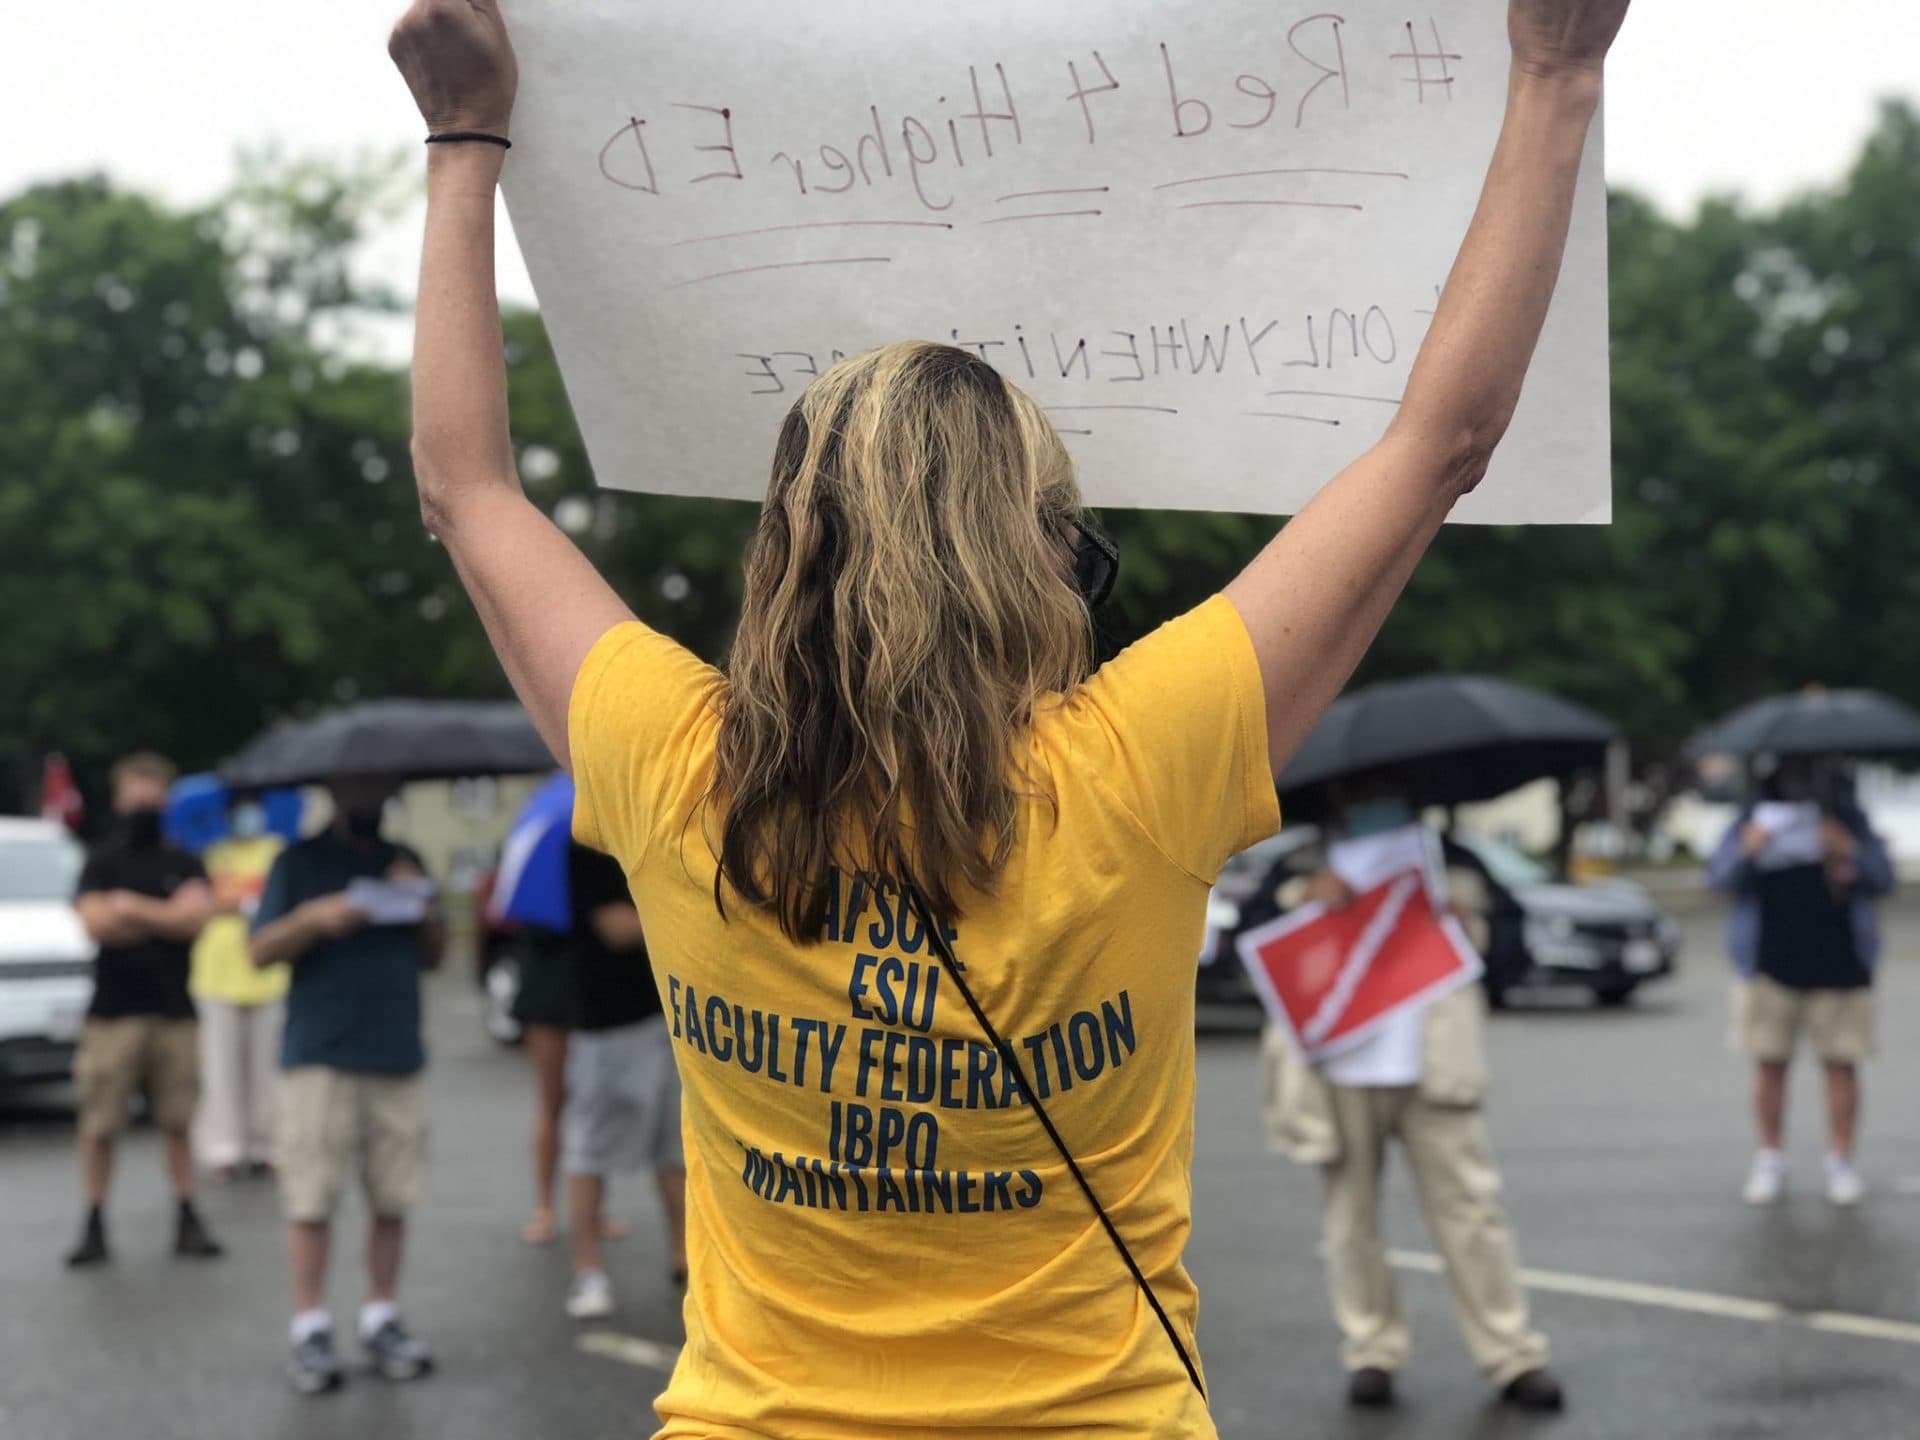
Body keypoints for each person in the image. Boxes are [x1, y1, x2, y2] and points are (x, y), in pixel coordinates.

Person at [388, 0, 1630, 1429]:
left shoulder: (678, 770)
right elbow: (1439, 445)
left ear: (790, 549)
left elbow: (465, 489)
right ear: (1031, 560)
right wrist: (1554, 76)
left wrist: (462, 140)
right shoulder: (1142, 764)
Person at [1258, 788, 1560, 1411]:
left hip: (1436, 1064)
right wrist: (1305, 904)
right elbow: (1253, 958)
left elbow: (1513, 956)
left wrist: (1466, 926)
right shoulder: (1298, 864)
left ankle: (1511, 1355)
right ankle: (1372, 1350)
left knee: (1472, 1213)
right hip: (1335, 1069)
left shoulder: (1452, 860)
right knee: (1350, 1222)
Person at [249, 776, 443, 1395]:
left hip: (396, 1050)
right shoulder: (297, 862)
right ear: (335, 791)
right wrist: (314, 918)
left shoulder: (406, 858)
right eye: (358, 789)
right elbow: (259, 951)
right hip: (319, 1053)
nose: (370, 799)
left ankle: (380, 1314)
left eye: (380, 789)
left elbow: (435, 956)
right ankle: (310, 1327)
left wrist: (425, 903)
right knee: (310, 1196)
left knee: (393, 1194)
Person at [1708, 761, 1894, 1208]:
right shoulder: (1752, 815)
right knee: (1769, 1062)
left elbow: (1883, 878)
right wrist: (1749, 848)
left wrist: (1846, 849)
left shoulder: (1848, 817)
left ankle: (1840, 1161)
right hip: (1769, 961)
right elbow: (1719, 877)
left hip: (1841, 960)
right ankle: (1770, 1157)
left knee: (1842, 1062)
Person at [66, 752, 224, 1267]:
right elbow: (96, 926)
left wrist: (132, 909)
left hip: (175, 1010)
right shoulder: (100, 860)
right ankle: (93, 1220)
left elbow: (197, 921)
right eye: (135, 793)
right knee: (100, 1123)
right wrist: (167, 915)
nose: (144, 804)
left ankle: (187, 1214)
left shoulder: (185, 861)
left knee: (178, 1120)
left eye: (152, 794)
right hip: (112, 1014)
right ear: (118, 798)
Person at [536, 839, 686, 1318]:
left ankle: (686, 1261)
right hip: (606, 1026)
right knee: (590, 1153)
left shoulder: (659, 836)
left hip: (667, 1018)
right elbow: (618, 929)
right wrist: (683, 913)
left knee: (676, 1154)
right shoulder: (587, 843)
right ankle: (588, 1269)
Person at [189, 795, 290, 1181]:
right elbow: (201, 906)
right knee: (220, 1070)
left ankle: (270, 1147)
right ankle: (225, 1149)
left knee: (268, 1068)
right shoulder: (212, 856)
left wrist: (242, 903)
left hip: (269, 976)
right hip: (217, 975)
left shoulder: (278, 853)